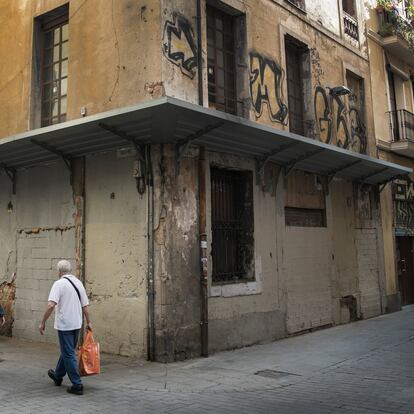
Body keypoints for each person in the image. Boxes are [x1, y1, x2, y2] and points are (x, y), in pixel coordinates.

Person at [39, 260, 91, 395]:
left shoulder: (59, 284)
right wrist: (89, 322)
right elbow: (85, 305)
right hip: (77, 323)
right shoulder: (78, 283)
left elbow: (51, 305)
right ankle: (58, 376)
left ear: (59, 271)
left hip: (65, 325)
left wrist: (43, 321)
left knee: (68, 353)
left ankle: (77, 384)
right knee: (67, 350)